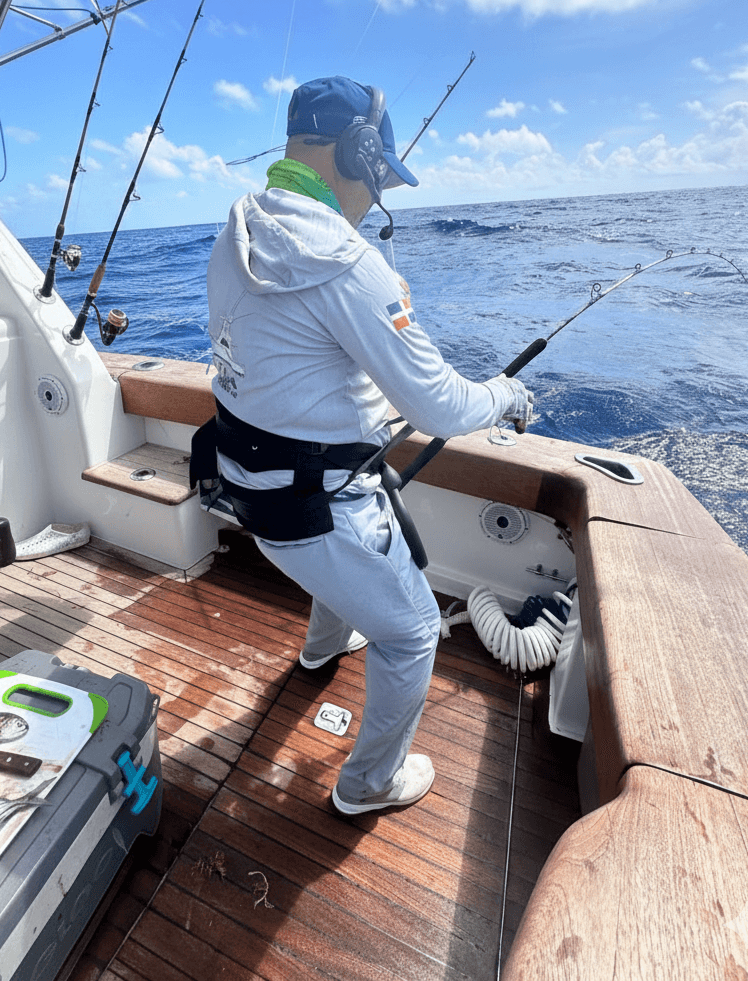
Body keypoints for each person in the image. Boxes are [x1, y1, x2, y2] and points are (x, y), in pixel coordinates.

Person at [205, 76, 532, 815]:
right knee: (415, 633)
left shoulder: (236, 230)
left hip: (248, 492)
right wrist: (506, 396)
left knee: (348, 557)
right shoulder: (350, 265)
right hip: (316, 512)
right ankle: (367, 786)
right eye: (379, 171)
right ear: (355, 151)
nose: (379, 192)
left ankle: (323, 648)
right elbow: (442, 406)